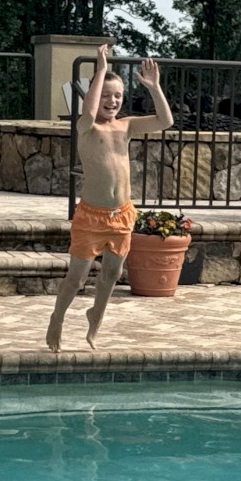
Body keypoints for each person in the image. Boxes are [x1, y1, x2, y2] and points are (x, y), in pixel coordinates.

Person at [45, 44, 173, 353]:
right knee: (76, 278)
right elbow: (89, 111)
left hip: (122, 214)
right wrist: (100, 70)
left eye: (117, 96)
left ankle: (96, 314)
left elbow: (165, 121)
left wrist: (154, 87)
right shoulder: (86, 128)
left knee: (113, 273)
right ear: (94, 95)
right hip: (91, 217)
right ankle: (57, 317)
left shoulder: (125, 126)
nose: (112, 101)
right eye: (105, 95)